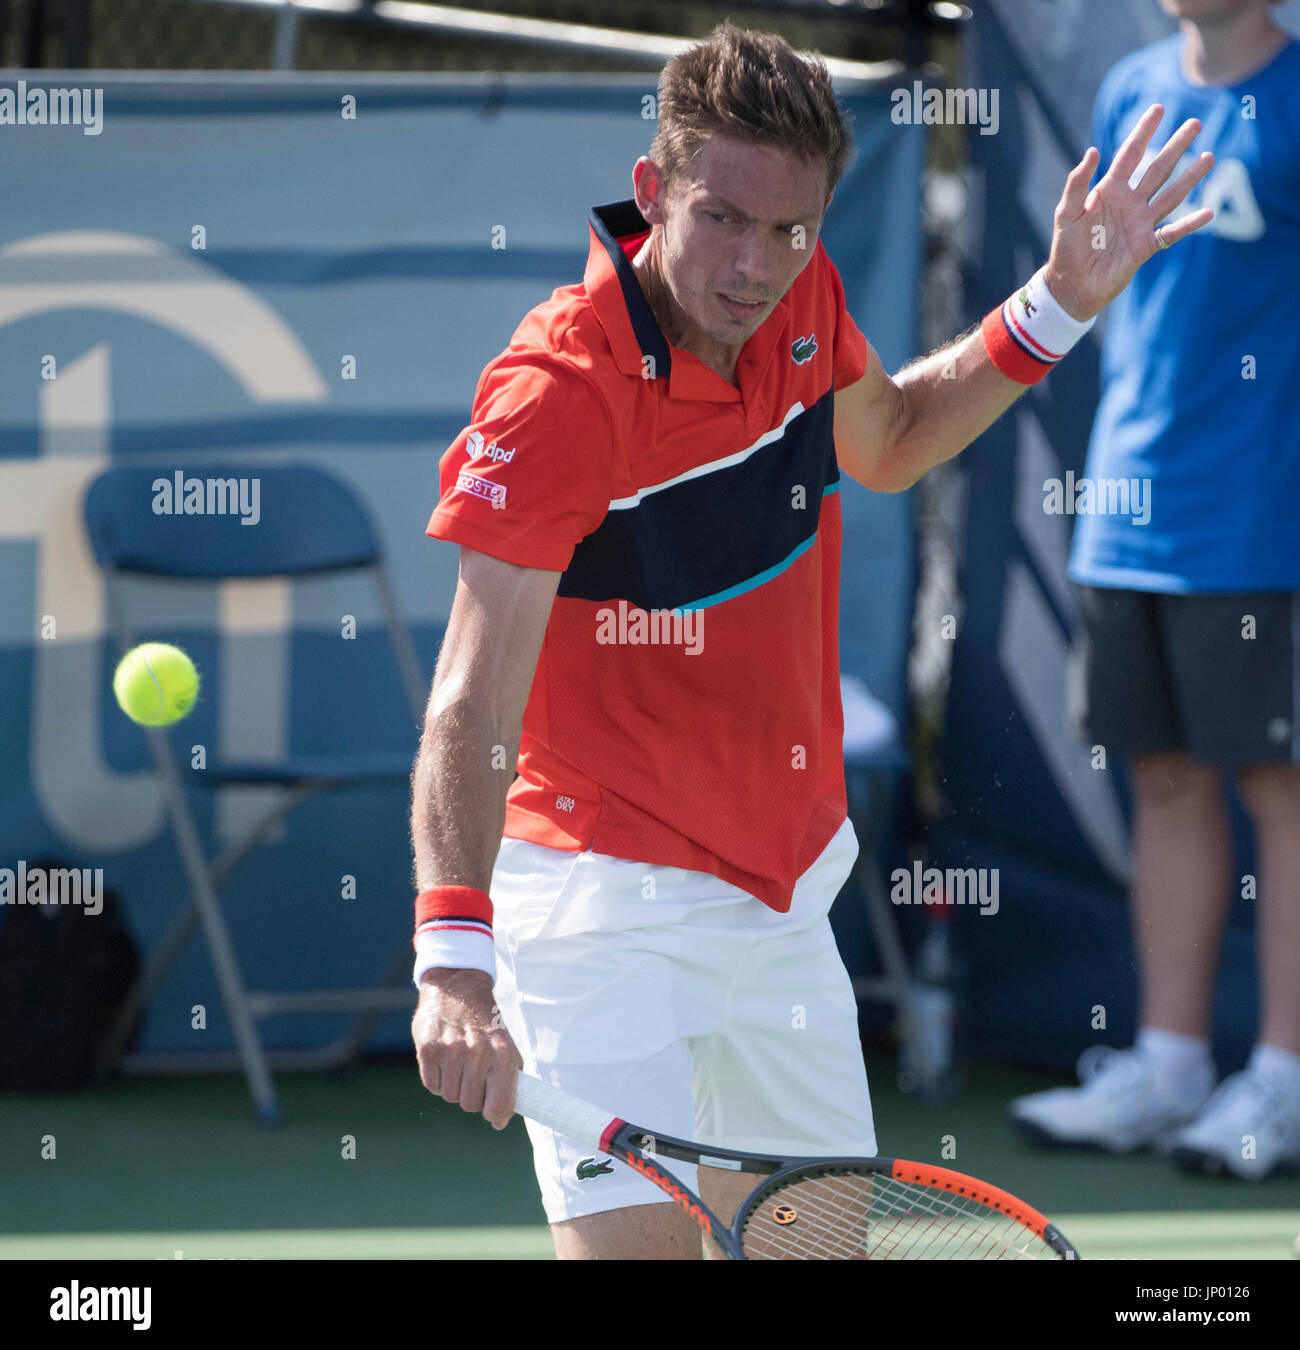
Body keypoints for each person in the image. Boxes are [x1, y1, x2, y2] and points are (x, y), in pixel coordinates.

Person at [410, 21, 1212, 1258]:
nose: (754, 264)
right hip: (601, 906)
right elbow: (469, 704)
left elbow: (886, 441)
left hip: (785, 900)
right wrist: (454, 960)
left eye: (790, 230)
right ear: (652, 193)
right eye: (722, 219)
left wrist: (1057, 302)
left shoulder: (801, 294)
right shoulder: (557, 396)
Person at [1009, 0, 1300, 1180]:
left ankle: (1280, 1080)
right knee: (1166, 780)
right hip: (1129, 512)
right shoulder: (1130, 89)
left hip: (1266, 516)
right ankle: (1170, 1064)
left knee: (1282, 792)